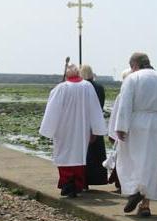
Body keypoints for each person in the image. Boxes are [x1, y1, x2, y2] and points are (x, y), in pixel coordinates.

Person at [113, 53, 157, 216]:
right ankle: (145, 204)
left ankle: (136, 191)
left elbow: (125, 103)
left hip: (137, 121)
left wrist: (120, 126)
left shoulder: (133, 78)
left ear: (134, 65)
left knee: (134, 159)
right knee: (152, 162)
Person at [40, 63, 107, 197]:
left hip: (63, 128)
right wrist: (96, 129)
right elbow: (95, 109)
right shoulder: (87, 87)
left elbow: (52, 111)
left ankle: (67, 182)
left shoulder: (60, 88)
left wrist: (48, 129)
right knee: (79, 155)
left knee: (64, 155)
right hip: (82, 128)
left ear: (66, 74)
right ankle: (76, 184)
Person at [80, 65, 108, 188]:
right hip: (96, 121)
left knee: (84, 153)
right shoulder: (99, 87)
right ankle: (97, 178)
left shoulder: (81, 87)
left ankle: (83, 180)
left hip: (83, 122)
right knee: (96, 154)